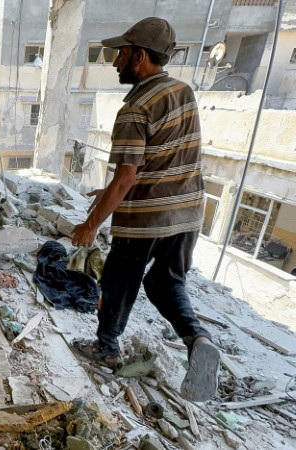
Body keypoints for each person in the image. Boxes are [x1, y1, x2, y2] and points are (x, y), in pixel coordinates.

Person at [69, 17, 220, 403]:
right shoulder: (182, 92)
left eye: (120, 53)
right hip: (187, 212)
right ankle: (197, 338)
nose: (115, 60)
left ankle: (106, 347)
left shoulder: (135, 107)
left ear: (138, 56)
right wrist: (110, 189)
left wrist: (90, 226)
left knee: (120, 279)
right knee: (165, 283)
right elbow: (163, 155)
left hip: (147, 216)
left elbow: (128, 177)